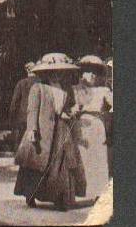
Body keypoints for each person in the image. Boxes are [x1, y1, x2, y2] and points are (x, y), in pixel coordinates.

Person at [14, 53, 86, 211]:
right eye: (53, 71)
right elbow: (32, 110)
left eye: (60, 71)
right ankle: (30, 194)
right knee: (37, 164)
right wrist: (32, 129)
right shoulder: (38, 88)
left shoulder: (66, 90)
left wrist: (72, 112)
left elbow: (65, 111)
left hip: (61, 130)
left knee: (62, 163)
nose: (57, 74)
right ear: (46, 73)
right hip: (42, 132)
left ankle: (61, 197)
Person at [72, 55, 112, 202]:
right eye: (88, 71)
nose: (91, 75)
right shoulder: (78, 90)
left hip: (97, 124)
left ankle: (98, 192)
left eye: (94, 72)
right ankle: (81, 190)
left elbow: (112, 104)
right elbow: (74, 106)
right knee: (82, 157)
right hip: (82, 123)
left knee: (98, 158)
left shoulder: (103, 90)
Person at [9, 62, 39, 151]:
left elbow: (14, 102)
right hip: (37, 116)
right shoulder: (41, 83)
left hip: (23, 118)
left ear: (27, 70)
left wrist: (11, 118)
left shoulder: (21, 83)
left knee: (21, 141)